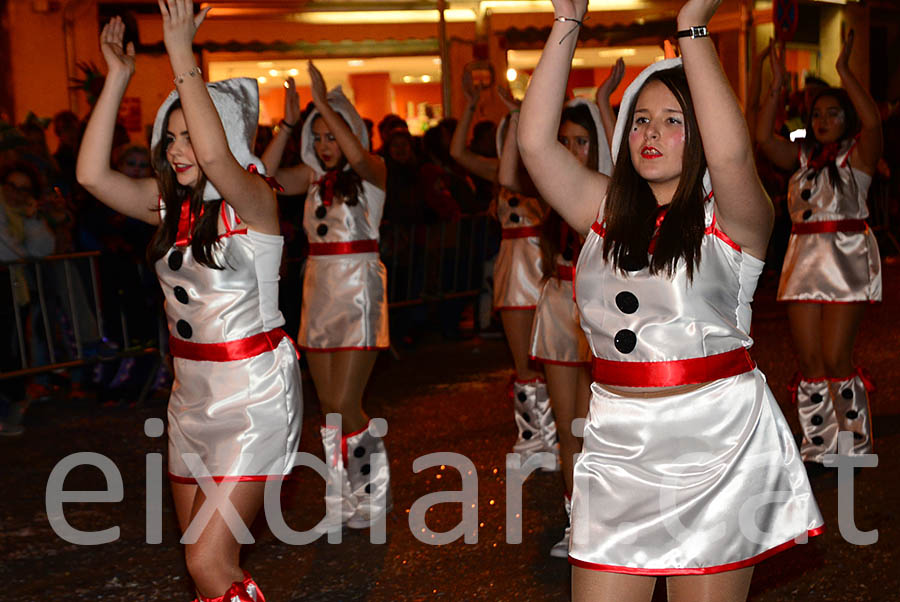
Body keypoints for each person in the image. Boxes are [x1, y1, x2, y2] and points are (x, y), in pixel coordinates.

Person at [517, 0, 824, 599]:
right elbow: (535, 146)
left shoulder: (736, 221)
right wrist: (566, 24)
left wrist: (692, 28)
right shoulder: (602, 213)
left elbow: (734, 155)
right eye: (640, 119)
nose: (651, 132)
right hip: (616, 444)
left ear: (703, 133)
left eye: (674, 120)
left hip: (717, 445)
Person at [76, 5, 302, 601]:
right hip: (190, 396)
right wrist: (119, 77)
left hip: (254, 393)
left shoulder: (254, 200)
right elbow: (93, 176)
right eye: (168, 137)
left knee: (207, 559)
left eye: (190, 137)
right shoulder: (168, 208)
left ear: (223, 136)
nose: (178, 150)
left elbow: (220, 161)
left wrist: (180, 53)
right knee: (210, 570)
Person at [261, 66, 392, 531]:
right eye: (316, 138)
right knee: (327, 407)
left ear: (350, 133)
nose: (323, 145)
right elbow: (262, 174)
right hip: (318, 290)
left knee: (345, 400)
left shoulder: (372, 173)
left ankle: (372, 491)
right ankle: (341, 497)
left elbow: (358, 157)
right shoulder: (310, 179)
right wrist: (287, 123)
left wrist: (324, 106)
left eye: (331, 136)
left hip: (358, 289)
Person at [756, 30, 881, 467]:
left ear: (846, 118)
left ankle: (853, 445)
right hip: (802, 263)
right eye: (817, 114)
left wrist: (845, 72)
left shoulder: (859, 157)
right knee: (810, 359)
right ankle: (817, 445)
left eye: (833, 113)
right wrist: (774, 86)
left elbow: (875, 123)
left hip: (845, 261)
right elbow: (763, 136)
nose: (824, 119)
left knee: (835, 356)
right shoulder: (802, 158)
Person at [499, 94, 614, 558]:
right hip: (559, 303)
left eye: (581, 141)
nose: (570, 150)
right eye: (563, 141)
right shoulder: (553, 190)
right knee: (570, 428)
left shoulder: (613, 188)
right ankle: (578, 523)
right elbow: (508, 176)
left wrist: (605, 104)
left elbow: (621, 156)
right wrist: (519, 115)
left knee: (604, 428)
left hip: (604, 312)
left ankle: (611, 521)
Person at [448, 78, 558, 464]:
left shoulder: (552, 170)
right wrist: (473, 104)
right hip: (513, 264)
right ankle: (532, 437)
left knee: (557, 358)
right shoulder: (499, 170)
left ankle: (557, 434)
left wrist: (519, 111)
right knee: (522, 362)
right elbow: (457, 152)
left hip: (544, 262)